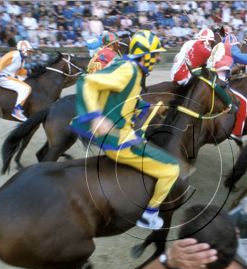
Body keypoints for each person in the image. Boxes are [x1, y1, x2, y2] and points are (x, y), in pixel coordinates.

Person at [70, 30, 180, 230]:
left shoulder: (131, 68)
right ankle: (149, 214)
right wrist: (95, 116)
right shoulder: (129, 70)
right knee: (172, 169)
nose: (156, 58)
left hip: (121, 134)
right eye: (154, 53)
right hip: (118, 140)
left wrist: (144, 106)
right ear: (144, 54)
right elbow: (87, 82)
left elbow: (122, 95)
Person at [0, 40, 34, 122]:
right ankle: (17, 110)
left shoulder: (22, 59)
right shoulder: (14, 55)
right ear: (23, 49)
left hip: (9, 76)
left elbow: (18, 72)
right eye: (29, 51)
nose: (30, 53)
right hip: (2, 78)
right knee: (26, 88)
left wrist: (29, 72)